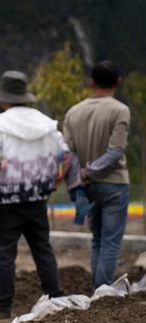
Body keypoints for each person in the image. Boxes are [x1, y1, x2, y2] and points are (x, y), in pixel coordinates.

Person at [0, 70, 87, 319]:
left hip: (7, 202)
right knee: (42, 249)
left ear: (3, 99)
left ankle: (3, 306)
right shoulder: (46, 124)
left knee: (5, 254)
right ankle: (55, 298)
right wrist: (68, 185)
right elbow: (67, 158)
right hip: (37, 199)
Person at [64, 61, 131, 290]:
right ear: (118, 82)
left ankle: (97, 289)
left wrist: (79, 178)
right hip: (114, 184)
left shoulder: (73, 112)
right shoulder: (119, 110)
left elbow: (68, 153)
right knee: (111, 242)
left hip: (88, 187)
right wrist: (90, 170)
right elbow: (115, 152)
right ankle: (102, 292)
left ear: (91, 82)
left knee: (97, 240)